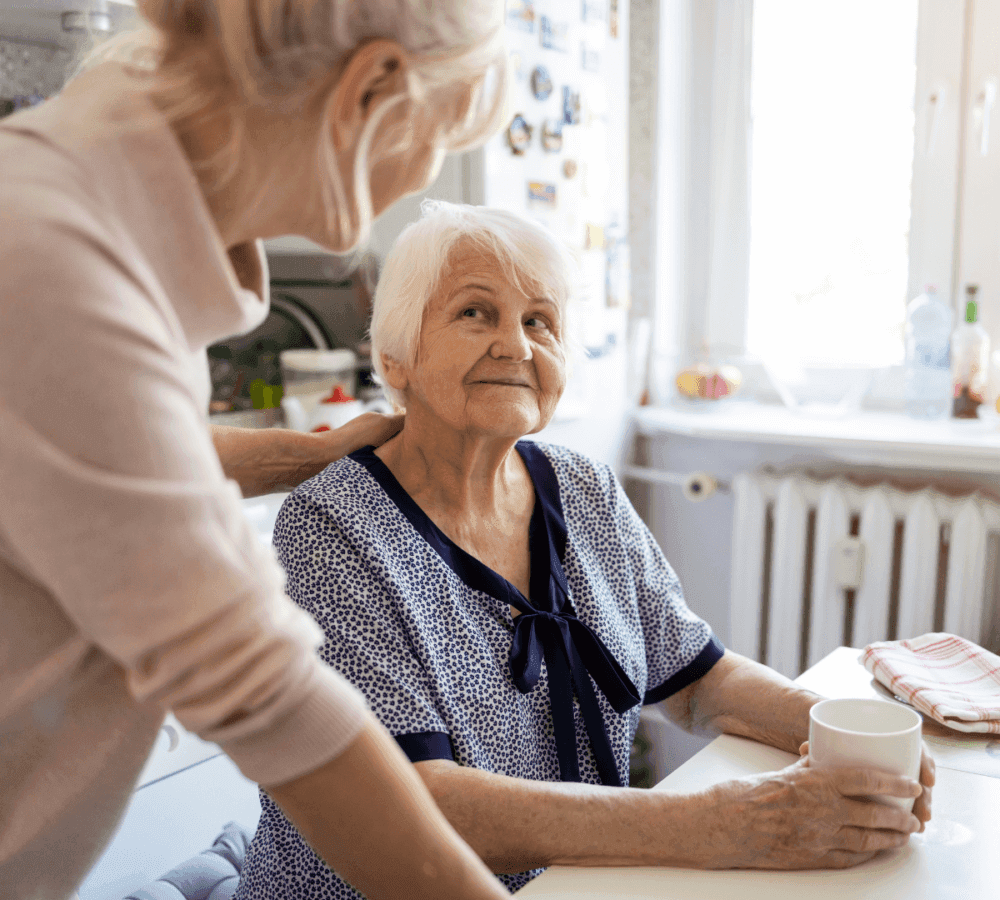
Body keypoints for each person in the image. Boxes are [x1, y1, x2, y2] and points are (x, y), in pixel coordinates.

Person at [240, 202, 935, 898]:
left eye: (539, 321)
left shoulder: (581, 488)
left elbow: (699, 678)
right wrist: (713, 824)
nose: (516, 345)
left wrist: (841, 735)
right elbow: (416, 800)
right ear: (396, 357)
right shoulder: (333, 529)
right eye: (475, 313)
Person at [0, 3, 517, 899]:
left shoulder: (117, 175)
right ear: (373, 91)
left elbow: (109, 451)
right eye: (440, 138)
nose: (426, 173)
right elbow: (267, 697)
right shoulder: (54, 260)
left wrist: (310, 453)